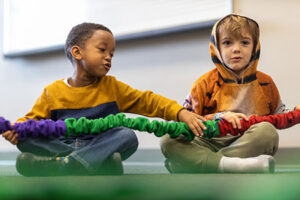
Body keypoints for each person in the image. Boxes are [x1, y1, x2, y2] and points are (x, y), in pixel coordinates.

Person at [2, 22, 207, 176]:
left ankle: (69, 164)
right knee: (27, 139)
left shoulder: (112, 87)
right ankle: (94, 163)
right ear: (77, 52)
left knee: (126, 135)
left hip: (100, 142)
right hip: (64, 145)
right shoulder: (52, 91)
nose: (108, 57)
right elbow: (32, 121)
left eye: (112, 54)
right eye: (102, 50)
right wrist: (16, 130)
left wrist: (181, 113)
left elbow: (148, 101)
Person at [160, 14, 300, 173]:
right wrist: (218, 117)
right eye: (227, 42)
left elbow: (279, 115)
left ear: (255, 47)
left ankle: (197, 164)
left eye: (245, 42)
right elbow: (189, 121)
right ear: (216, 47)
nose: (236, 49)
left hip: (246, 141)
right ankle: (231, 166)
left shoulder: (266, 82)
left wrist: (295, 112)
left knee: (267, 132)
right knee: (168, 139)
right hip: (209, 140)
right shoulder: (204, 83)